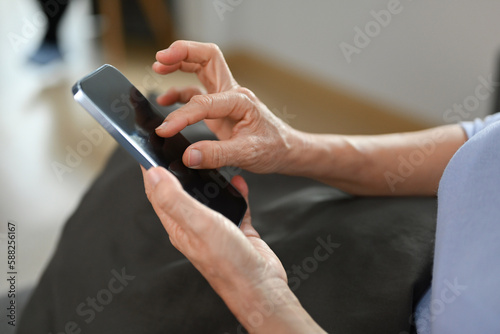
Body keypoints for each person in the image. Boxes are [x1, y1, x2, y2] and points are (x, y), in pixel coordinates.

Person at [142, 40, 500, 333]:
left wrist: (258, 296)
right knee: (188, 148)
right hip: (415, 256)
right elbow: (476, 147)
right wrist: (288, 145)